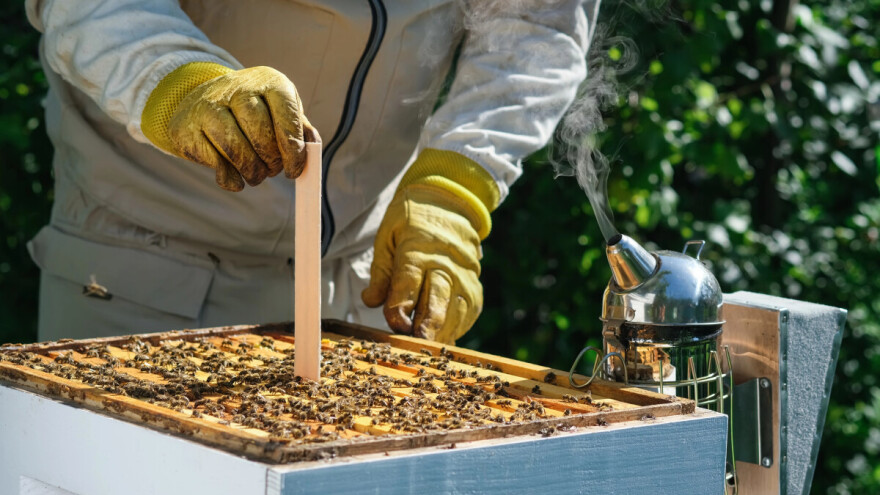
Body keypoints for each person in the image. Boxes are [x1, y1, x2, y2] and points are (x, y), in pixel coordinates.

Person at [25, 0, 599, 344]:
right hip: (139, 267)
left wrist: (455, 183)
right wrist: (177, 82)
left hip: (354, 285)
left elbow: (537, 21)